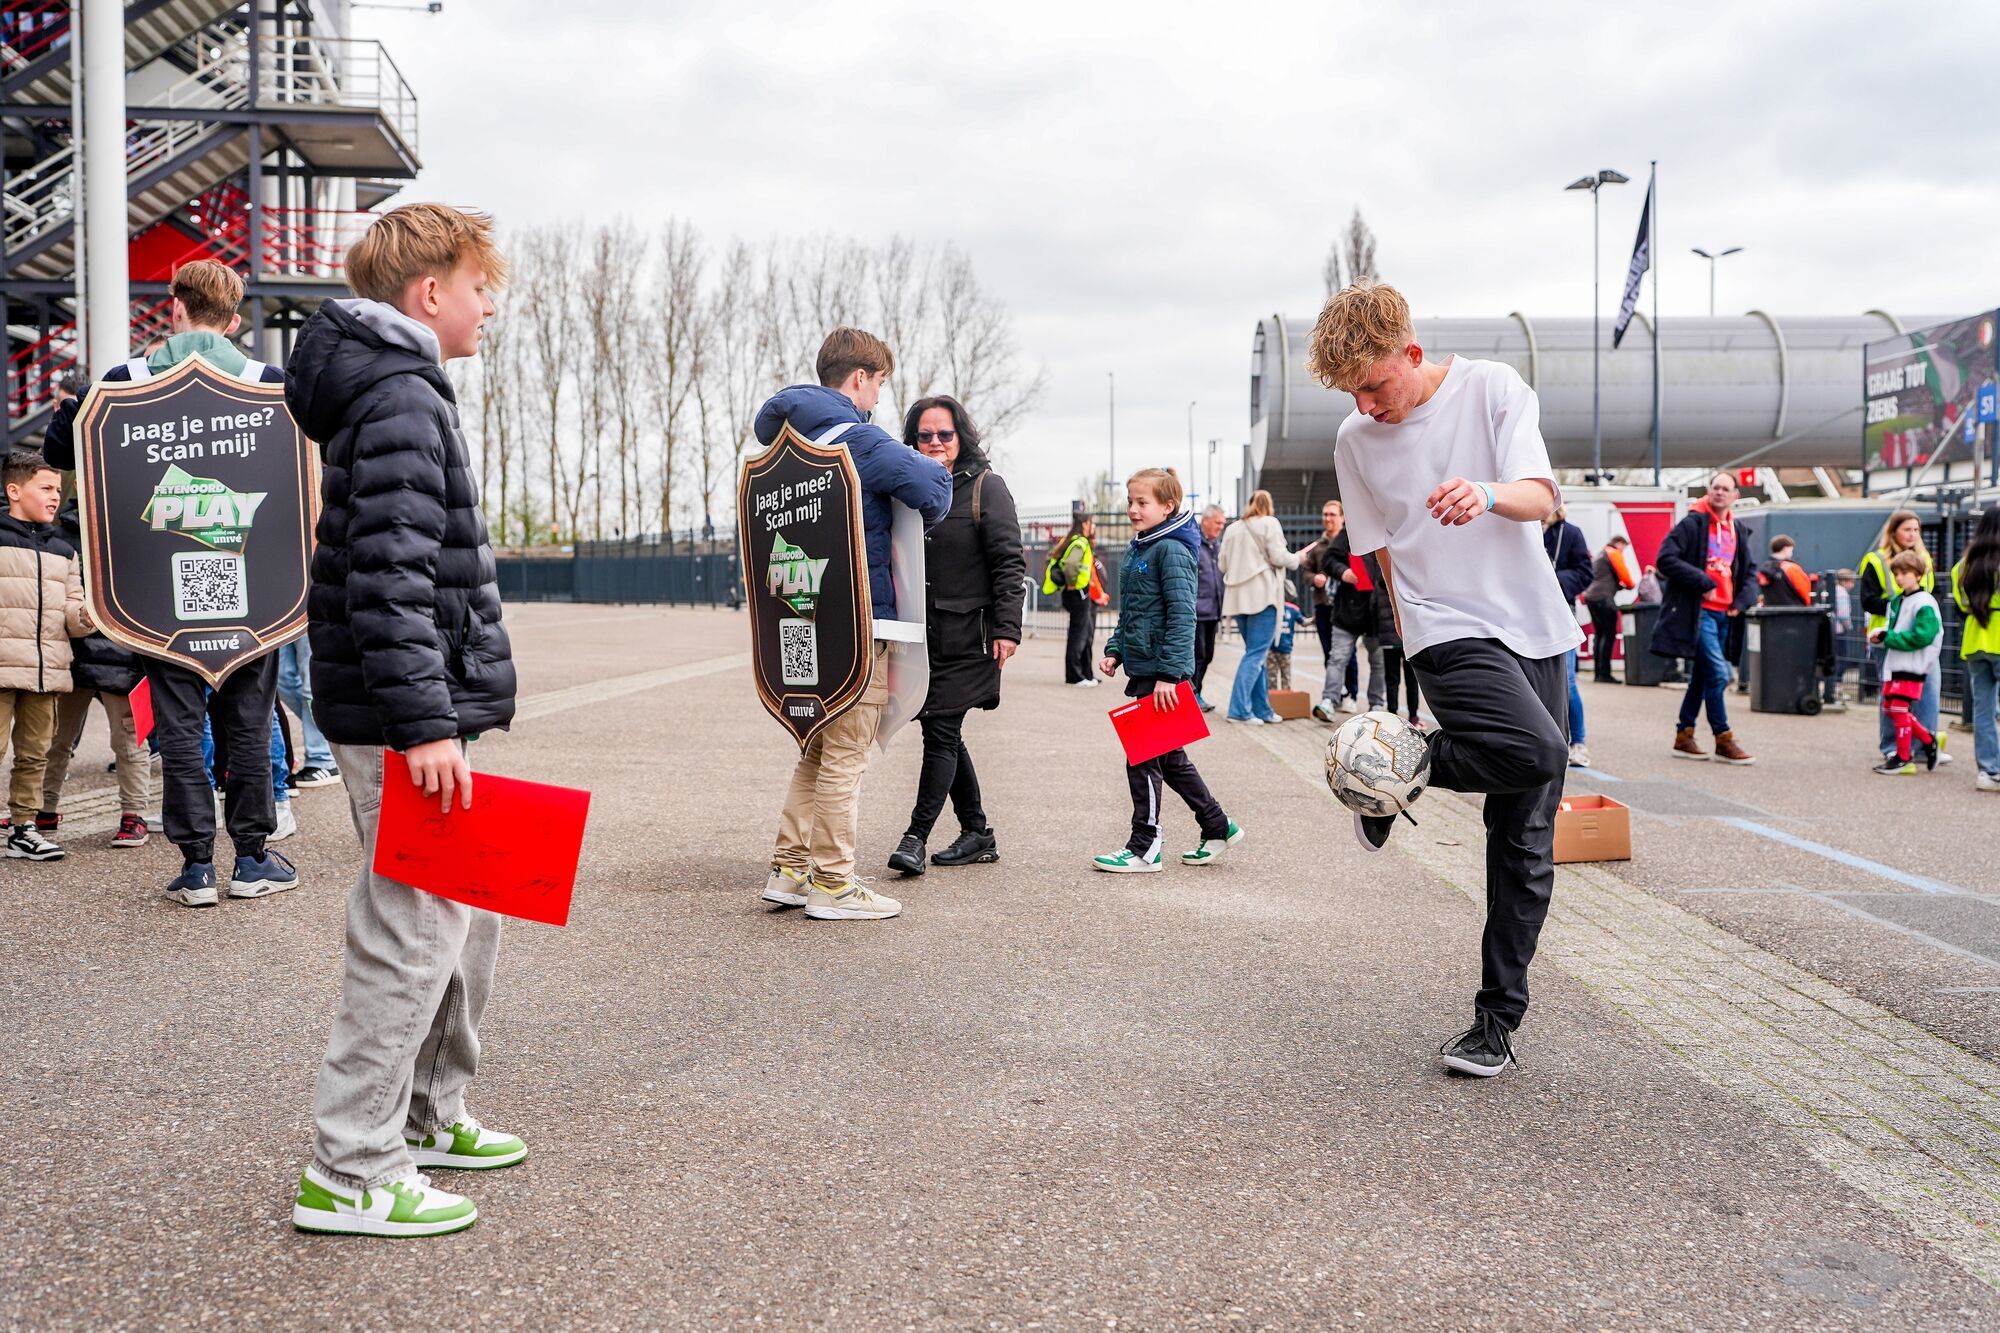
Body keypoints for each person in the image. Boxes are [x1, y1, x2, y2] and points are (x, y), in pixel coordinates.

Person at [284, 203, 526, 1237]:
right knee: (412, 924)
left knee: (469, 909)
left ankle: (427, 1113)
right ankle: (350, 1167)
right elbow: (389, 576)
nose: (485, 310)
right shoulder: (398, 398)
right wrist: (426, 721)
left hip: (420, 703)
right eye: (480, 289)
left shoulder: (399, 392)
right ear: (429, 293)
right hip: (405, 714)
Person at [1309, 281, 1577, 1080]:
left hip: (1535, 626)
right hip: (1444, 630)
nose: (1365, 402)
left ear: (1413, 353)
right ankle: (1399, 769)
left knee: (1524, 839)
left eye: (1374, 383)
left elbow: (1543, 497)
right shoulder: (1356, 439)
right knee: (1541, 751)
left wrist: (1486, 493)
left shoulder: (1493, 389)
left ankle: (1494, 1023)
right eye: (1351, 390)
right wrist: (1410, 637)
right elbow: (1384, 551)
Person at [49, 260, 296, 904]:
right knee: (247, 723)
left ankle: (195, 869)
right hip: (254, 590)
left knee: (181, 729)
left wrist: (69, 409)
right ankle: (251, 858)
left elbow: (61, 453)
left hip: (155, 596)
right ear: (236, 319)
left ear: (175, 308)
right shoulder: (270, 383)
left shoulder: (121, 384)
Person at [755, 327, 952, 923]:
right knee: (847, 749)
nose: (877, 402)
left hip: (800, 619)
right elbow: (932, 487)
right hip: (859, 622)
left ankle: (789, 869)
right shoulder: (858, 442)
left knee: (814, 747)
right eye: (878, 386)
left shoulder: (778, 455)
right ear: (860, 378)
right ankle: (834, 883)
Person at [886, 394, 1024, 876]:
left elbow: (1010, 562)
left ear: (961, 435)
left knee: (941, 730)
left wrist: (1009, 628)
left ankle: (914, 837)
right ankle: (977, 832)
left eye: (944, 434)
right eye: (924, 435)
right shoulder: (907, 490)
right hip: (923, 637)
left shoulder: (988, 487)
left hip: (972, 634)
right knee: (941, 727)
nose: (935, 443)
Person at [1092, 467, 1243, 872]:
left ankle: (1145, 846)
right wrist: (1116, 649)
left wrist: (1172, 675)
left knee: (1141, 757)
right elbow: (1135, 610)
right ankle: (1217, 825)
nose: (1133, 509)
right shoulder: (1143, 545)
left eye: (1143, 502)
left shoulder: (1171, 549)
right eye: (1131, 502)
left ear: (1167, 505)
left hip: (1163, 673)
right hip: (1146, 666)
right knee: (1169, 758)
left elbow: (1182, 616)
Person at [37, 497, 150, 848]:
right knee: (55, 738)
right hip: (75, 654)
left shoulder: (128, 530)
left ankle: (134, 814)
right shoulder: (60, 535)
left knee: (127, 740)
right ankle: (44, 808)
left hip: (121, 655)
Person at [2, 451, 91, 861]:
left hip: (46, 669)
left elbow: (71, 612)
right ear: (14, 490)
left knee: (35, 754)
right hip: (3, 667)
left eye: (58, 489)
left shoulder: (63, 549)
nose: (55, 497)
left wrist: (87, 615)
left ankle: (23, 828)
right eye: (46, 488)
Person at [1650, 472, 1756, 764]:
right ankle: (1724, 738)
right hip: (1699, 615)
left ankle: (1684, 735)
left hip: (1725, 614)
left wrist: (1741, 600)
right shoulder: (1693, 524)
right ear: (1709, 492)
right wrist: (1704, 582)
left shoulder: (1738, 530)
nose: (1719, 492)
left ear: (1735, 495)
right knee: (1719, 674)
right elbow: (1665, 558)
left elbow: (1749, 572)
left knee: (1703, 676)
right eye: (1715, 487)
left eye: (1726, 489)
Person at [1861, 511, 1943, 765]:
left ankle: (1924, 746)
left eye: (1916, 530)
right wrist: (1900, 610)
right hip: (1888, 640)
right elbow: (1868, 600)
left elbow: (1932, 593)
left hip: (1920, 642)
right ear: (1894, 531)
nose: (1912, 534)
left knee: (1928, 692)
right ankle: (1891, 746)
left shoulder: (1924, 559)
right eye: (1907, 529)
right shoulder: (1876, 560)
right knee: (1892, 697)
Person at [1218, 490, 1308, 724]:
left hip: (1237, 598)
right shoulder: (1270, 523)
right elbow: (1279, 557)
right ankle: (1239, 710)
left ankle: (1263, 710)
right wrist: (1297, 559)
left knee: (1254, 654)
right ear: (1269, 505)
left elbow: (1222, 564)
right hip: (1263, 596)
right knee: (1256, 655)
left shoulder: (1232, 528)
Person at [1950, 506, 2000, 792]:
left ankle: (1988, 771)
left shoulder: (1963, 566)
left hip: (1974, 639)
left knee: (1984, 710)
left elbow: (1960, 606)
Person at [1542, 506, 1593, 768]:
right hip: (1521, 614)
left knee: (1567, 680)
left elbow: (1585, 572)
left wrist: (1552, 579)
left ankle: (1579, 743)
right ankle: (1547, 744)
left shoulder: (1570, 533)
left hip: (1561, 612)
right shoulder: (1517, 526)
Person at [1361, 551, 1420, 723]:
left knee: (1392, 678)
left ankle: (1393, 715)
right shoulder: (1408, 579)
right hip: (1408, 634)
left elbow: (1373, 607)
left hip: (1388, 635)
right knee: (1412, 678)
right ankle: (1413, 716)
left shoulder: (1381, 579)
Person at [279, 634, 341, 787]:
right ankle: (329, 728)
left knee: (311, 686)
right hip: (276, 614)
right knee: (281, 679)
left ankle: (322, 758)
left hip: (308, 614)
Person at [1044, 513, 1098, 687]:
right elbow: (1070, 565)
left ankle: (1085, 674)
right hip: (1077, 593)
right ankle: (1075, 676)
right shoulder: (1080, 542)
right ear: (1084, 525)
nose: (1094, 527)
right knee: (1078, 635)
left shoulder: (1073, 540)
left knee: (1084, 632)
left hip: (1076, 594)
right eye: (1092, 523)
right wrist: (1072, 584)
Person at [1297, 500, 1346, 666]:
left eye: (1332, 514)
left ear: (1342, 517)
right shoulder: (1317, 547)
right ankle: (1335, 691)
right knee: (1328, 650)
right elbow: (1305, 572)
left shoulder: (1350, 544)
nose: (1327, 518)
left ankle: (1352, 690)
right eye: (1325, 514)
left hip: (1346, 605)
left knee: (1347, 651)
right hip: (1323, 605)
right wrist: (1313, 578)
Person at [1581, 534, 1634, 683]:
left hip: (1591, 597)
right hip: (1603, 598)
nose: (1624, 551)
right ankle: (1605, 674)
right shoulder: (1613, 552)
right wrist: (1630, 585)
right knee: (1609, 634)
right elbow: (1626, 577)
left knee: (1600, 634)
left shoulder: (1601, 554)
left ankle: (1598, 673)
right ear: (1619, 543)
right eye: (1624, 546)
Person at [1192, 505, 1226, 711]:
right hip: (1198, 610)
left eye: (1223, 523)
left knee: (1208, 655)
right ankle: (1193, 694)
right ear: (1205, 521)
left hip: (1214, 609)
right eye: (1218, 522)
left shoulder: (1217, 545)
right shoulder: (1195, 543)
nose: (1221, 527)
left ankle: (1198, 692)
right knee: (1198, 655)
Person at [1757, 534, 1813, 606]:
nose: (1791, 553)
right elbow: (1805, 593)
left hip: (1770, 614)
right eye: (1791, 550)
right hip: (1794, 613)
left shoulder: (1763, 570)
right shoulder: (1791, 568)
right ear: (1785, 549)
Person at [1266, 600, 1307, 694]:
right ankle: (1273, 699)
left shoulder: (1293, 609)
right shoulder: (1271, 607)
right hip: (1272, 648)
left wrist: (1314, 619)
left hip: (1285, 648)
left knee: (1285, 676)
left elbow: (1303, 622)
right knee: (1272, 676)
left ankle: (1286, 698)